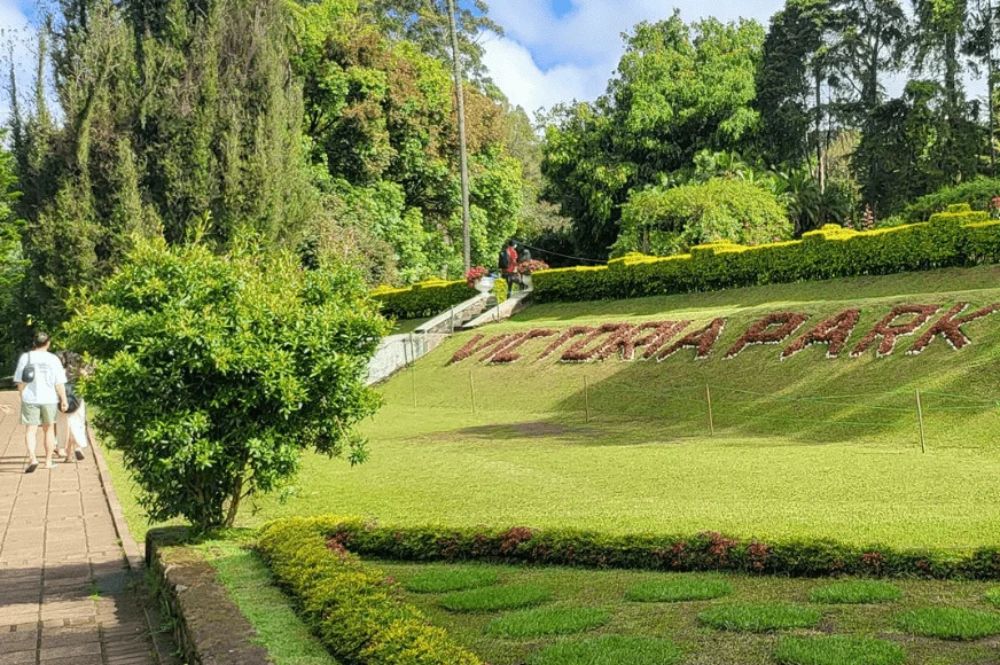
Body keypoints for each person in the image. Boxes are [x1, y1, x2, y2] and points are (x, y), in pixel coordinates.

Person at [14, 332, 68, 472]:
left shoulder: (26, 357)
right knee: (49, 429)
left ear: (34, 343)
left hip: (30, 398)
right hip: (49, 398)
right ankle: (48, 461)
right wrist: (63, 399)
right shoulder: (53, 359)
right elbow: (59, 382)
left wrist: (21, 395)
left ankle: (32, 458)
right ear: (48, 343)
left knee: (30, 430)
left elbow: (20, 380)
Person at [54, 351, 94, 463]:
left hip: (60, 401)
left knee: (64, 427)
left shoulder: (56, 372)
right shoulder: (77, 371)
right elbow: (88, 380)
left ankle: (68, 455)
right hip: (76, 400)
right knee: (77, 424)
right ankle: (77, 447)